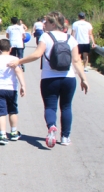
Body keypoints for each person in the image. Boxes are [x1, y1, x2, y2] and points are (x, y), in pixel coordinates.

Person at [8, 11, 89, 147]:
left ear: (53, 23)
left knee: (50, 107)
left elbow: (37, 54)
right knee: (66, 106)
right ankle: (65, 137)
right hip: (68, 78)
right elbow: (76, 61)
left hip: (49, 79)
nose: (44, 24)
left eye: (46, 22)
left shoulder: (46, 37)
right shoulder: (71, 39)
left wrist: (19, 61)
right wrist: (83, 78)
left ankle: (51, 127)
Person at [0, 39, 26, 145]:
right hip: (11, 88)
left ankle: (2, 135)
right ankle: (13, 132)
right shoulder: (14, 59)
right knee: (12, 110)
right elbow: (18, 71)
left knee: (1, 112)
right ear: (10, 49)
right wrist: (23, 85)